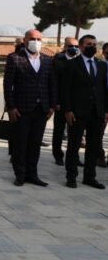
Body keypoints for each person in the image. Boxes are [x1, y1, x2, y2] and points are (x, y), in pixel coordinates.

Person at [3, 29, 56, 187]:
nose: (36, 41)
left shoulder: (47, 60)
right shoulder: (15, 58)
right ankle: (20, 175)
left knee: (35, 143)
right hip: (22, 108)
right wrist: (11, 107)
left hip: (41, 109)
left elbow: (52, 84)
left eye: (39, 38)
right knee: (21, 143)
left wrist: (52, 106)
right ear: (25, 40)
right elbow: (7, 85)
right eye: (33, 38)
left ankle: (32, 174)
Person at [62, 35, 108, 189]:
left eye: (94, 44)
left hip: (97, 112)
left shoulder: (101, 65)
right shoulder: (72, 65)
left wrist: (106, 110)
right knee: (74, 145)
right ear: (81, 46)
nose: (92, 46)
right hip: (77, 112)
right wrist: (68, 110)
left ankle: (89, 177)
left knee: (93, 146)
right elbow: (66, 90)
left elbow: (104, 90)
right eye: (89, 44)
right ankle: (71, 177)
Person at [52, 37, 79, 165]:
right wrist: (56, 101)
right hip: (61, 103)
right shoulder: (58, 61)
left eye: (76, 46)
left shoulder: (80, 61)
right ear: (65, 47)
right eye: (70, 46)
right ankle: (58, 155)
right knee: (59, 130)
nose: (74, 48)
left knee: (75, 133)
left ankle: (74, 156)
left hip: (77, 104)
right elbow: (54, 83)